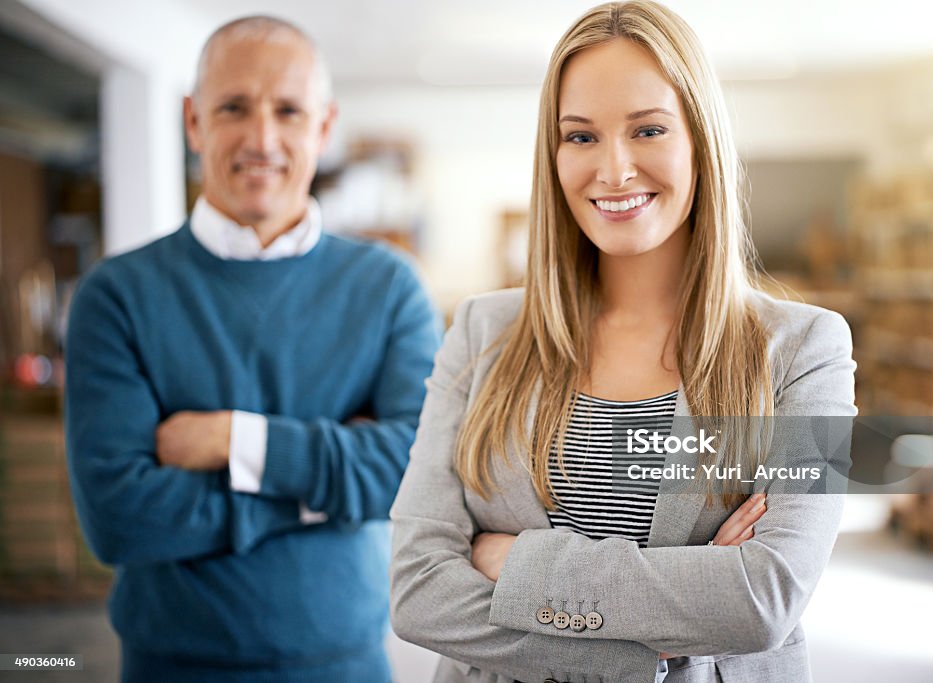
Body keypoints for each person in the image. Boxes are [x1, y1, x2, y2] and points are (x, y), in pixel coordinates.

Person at [389, 1, 856, 682]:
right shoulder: (482, 332)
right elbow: (417, 591)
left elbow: (764, 597)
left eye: (648, 129)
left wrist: (512, 561)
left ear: (699, 138)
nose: (613, 170)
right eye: (580, 136)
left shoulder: (807, 350)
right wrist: (653, 643)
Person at [64, 16, 440, 683]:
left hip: (346, 666)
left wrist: (235, 439)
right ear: (193, 121)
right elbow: (120, 518)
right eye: (234, 107)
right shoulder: (115, 295)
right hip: (171, 667)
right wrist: (324, 487)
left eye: (288, 111)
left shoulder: (389, 287)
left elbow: (418, 474)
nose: (261, 138)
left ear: (323, 127)